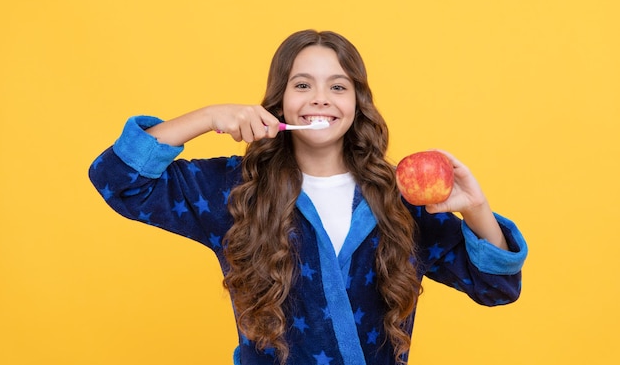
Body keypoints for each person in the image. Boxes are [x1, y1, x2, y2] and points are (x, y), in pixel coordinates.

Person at [89, 29, 528, 365]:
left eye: (338, 87)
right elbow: (117, 178)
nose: (321, 99)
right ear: (279, 101)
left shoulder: (400, 197)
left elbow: (497, 288)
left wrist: (475, 208)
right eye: (302, 86)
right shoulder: (236, 190)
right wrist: (206, 117)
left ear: (358, 102)